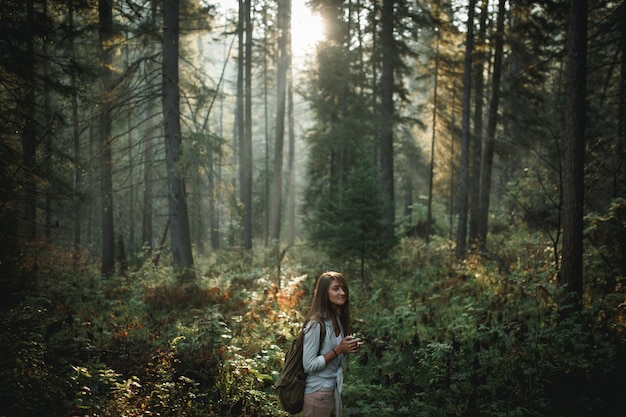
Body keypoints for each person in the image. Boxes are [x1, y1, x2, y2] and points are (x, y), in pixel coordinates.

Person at [301, 271, 363, 417]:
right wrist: (338, 349)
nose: (342, 293)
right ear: (324, 293)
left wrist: (349, 346)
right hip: (318, 393)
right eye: (336, 289)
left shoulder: (335, 318)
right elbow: (308, 365)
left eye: (343, 288)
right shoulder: (315, 324)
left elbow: (333, 350)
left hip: (332, 389)